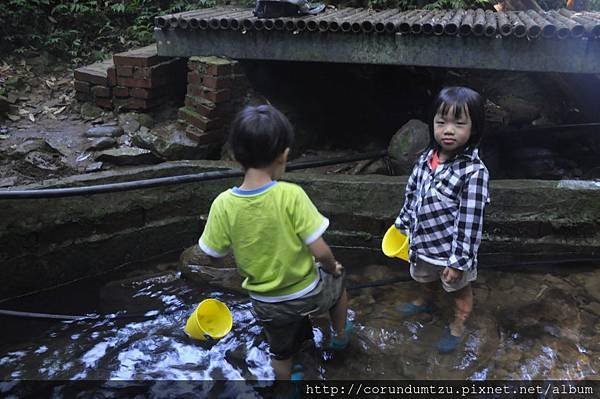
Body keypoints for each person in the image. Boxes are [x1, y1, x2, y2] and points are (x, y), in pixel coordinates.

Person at [198, 104, 352, 380]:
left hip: (266, 302)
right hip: (307, 291)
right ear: (284, 155)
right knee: (338, 288)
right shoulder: (291, 195)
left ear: (234, 155)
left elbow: (212, 254)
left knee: (280, 354)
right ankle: (340, 336)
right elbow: (320, 250)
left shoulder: (223, 204)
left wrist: (240, 265)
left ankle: (286, 385)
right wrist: (332, 268)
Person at [394, 86, 490, 353]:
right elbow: (411, 194)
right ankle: (425, 302)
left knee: (459, 291)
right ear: (432, 124)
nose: (449, 130)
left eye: (459, 124)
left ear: (474, 128)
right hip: (422, 244)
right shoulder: (426, 158)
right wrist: (402, 226)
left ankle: (458, 325)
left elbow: (470, 223)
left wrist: (458, 262)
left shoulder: (473, 172)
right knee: (424, 279)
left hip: (451, 252)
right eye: (441, 122)